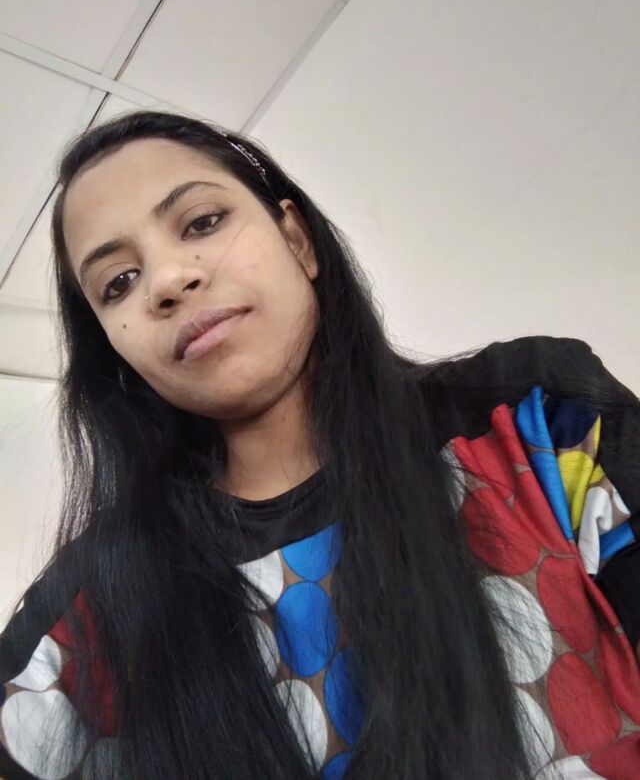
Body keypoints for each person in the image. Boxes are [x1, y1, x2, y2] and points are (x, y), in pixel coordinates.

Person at [0, 110, 638, 780]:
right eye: (118, 283)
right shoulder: (95, 604)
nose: (166, 280)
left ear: (297, 240)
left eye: (202, 222)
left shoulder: (539, 419)